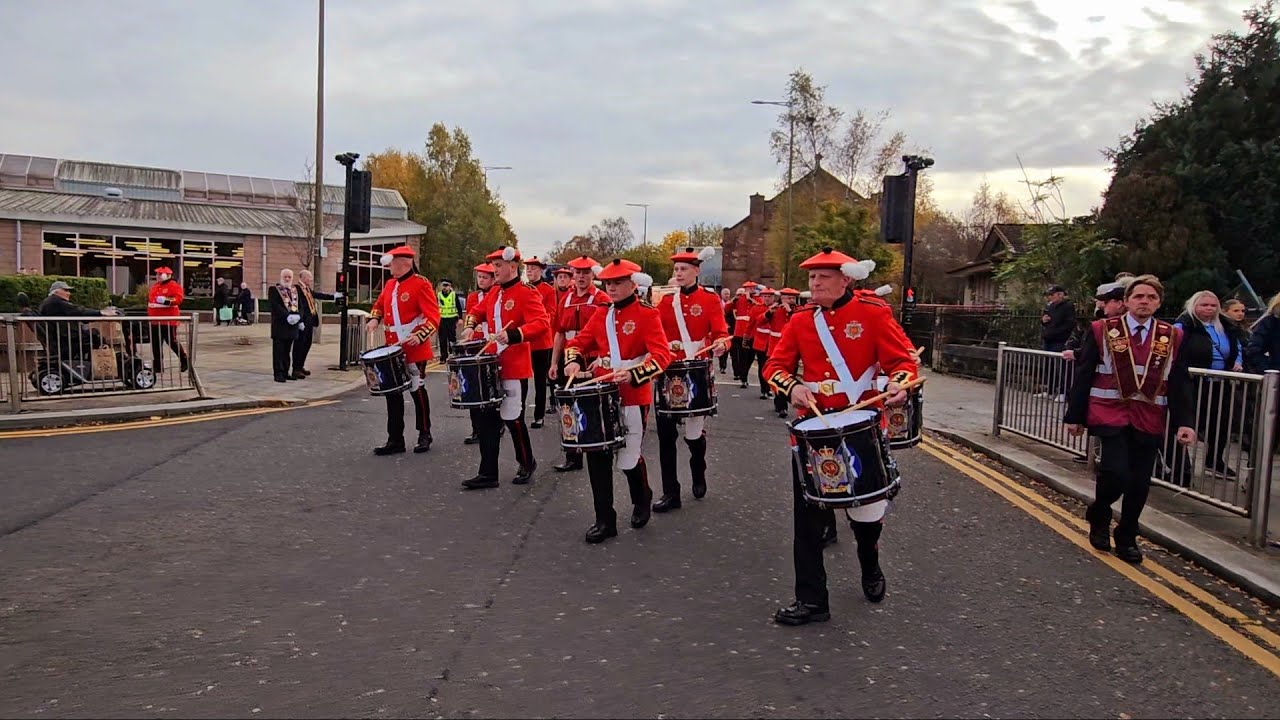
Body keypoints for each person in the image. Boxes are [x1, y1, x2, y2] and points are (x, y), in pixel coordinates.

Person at [764, 248, 916, 626]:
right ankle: (813, 601)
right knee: (807, 519)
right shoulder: (801, 321)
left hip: (860, 424)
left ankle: (870, 563)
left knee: (865, 516)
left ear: (846, 279)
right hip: (814, 430)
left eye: (823, 277)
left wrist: (899, 384)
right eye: (811, 278)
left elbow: (903, 361)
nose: (814, 284)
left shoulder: (871, 314)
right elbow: (775, 366)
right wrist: (792, 387)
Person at [1064, 275, 1196, 564]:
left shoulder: (1172, 336)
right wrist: (1074, 416)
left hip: (1149, 416)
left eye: (1151, 297)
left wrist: (1185, 422)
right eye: (1139, 297)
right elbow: (1084, 373)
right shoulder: (1103, 330)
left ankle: (1127, 535)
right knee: (1116, 472)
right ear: (1126, 301)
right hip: (1108, 412)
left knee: (1139, 482)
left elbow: (1179, 380)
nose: (1144, 302)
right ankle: (1100, 513)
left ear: (1159, 302)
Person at [563, 258, 672, 543]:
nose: (611, 288)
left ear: (632, 284)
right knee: (597, 456)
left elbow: (662, 356)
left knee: (627, 458)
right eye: (608, 283)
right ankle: (604, 520)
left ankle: (642, 496)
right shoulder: (601, 314)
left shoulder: (647, 314)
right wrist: (572, 362)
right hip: (601, 392)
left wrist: (635, 373)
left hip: (633, 394)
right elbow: (577, 343)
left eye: (617, 283)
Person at [460, 246, 550, 488]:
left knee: (513, 418)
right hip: (491, 364)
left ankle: (526, 460)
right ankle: (488, 472)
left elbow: (541, 323)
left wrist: (515, 334)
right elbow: (476, 312)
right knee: (488, 420)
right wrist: (470, 325)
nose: (494, 270)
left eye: (498, 265)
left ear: (512, 266)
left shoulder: (526, 292)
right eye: (493, 265)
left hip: (514, 364)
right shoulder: (494, 292)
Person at [652, 247, 729, 511]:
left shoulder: (709, 300)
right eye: (676, 270)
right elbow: (654, 334)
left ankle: (698, 469)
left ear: (696, 271)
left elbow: (721, 332)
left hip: (695, 369)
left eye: (684, 269)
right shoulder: (664, 302)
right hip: (668, 370)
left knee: (693, 434)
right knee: (665, 434)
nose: (679, 273)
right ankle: (670, 492)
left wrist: (720, 344)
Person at [364, 245, 441, 455]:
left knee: (417, 390)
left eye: (394, 262)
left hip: (413, 346)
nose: (389, 265)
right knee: (392, 394)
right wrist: (374, 318)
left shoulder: (421, 284)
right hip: (392, 347)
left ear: (405, 263)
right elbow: (379, 305)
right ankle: (395, 439)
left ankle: (424, 432)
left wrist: (420, 335)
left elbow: (433, 317)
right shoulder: (389, 285)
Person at [1169, 291, 1243, 480]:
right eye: (1204, 305)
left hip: (1220, 381)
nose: (1209, 309)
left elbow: (1238, 346)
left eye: (1212, 305)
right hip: (1192, 381)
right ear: (1193, 306)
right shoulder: (1184, 325)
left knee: (1222, 423)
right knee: (1186, 423)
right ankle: (1181, 467)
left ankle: (1214, 459)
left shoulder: (1226, 326)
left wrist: (1237, 361)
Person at [548, 255, 610, 472]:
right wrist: (554, 362)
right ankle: (572, 455)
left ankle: (595, 446)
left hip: (593, 359)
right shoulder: (565, 299)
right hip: (570, 359)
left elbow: (608, 334)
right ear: (573, 274)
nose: (582, 277)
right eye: (578, 273)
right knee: (568, 406)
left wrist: (603, 359)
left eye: (586, 273)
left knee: (593, 405)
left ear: (593, 275)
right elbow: (560, 333)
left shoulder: (602, 298)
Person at [37, 280, 119, 358]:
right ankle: (98, 365)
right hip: (66, 340)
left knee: (93, 334)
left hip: (62, 338)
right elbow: (78, 311)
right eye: (66, 290)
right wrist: (101, 313)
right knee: (95, 337)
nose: (69, 293)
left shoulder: (50, 302)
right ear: (56, 291)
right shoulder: (56, 302)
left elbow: (77, 313)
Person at [462, 262, 496, 446]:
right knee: (473, 388)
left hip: (491, 343)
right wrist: (468, 330)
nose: (481, 280)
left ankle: (495, 425)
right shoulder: (473, 296)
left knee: (490, 387)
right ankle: (476, 428)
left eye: (485, 277)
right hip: (475, 344)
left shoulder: (496, 295)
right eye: (479, 277)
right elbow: (471, 316)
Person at [523, 256, 558, 428]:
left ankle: (539, 415)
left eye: (533, 269)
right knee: (519, 380)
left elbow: (550, 314)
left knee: (539, 380)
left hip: (541, 341)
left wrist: (535, 327)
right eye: (528, 269)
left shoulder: (548, 290)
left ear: (541, 271)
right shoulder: (522, 289)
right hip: (523, 340)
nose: (530, 272)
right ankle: (517, 413)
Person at [293, 269, 338, 378]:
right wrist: (300, 321)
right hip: (303, 322)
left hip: (310, 321)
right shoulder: (297, 288)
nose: (311, 279)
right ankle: (296, 368)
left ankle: (301, 366)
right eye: (309, 277)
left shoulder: (307, 289)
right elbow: (297, 305)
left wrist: (333, 297)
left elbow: (317, 295)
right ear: (303, 277)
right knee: (299, 346)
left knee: (306, 345)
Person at [147, 266, 189, 373]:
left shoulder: (174, 286)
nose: (157, 276)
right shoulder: (155, 286)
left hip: (168, 320)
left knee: (172, 342)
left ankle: (184, 360)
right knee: (155, 344)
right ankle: (158, 366)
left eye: (160, 274)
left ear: (168, 275)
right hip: (155, 320)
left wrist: (165, 300)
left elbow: (178, 299)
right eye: (157, 274)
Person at [766, 288, 801, 418]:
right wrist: (769, 312)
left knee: (791, 375)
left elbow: (800, 324)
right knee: (779, 375)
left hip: (793, 349)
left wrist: (790, 311)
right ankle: (781, 406)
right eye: (787, 298)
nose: (790, 300)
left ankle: (783, 400)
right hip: (776, 346)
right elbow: (760, 321)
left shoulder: (798, 310)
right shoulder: (775, 309)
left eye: (792, 298)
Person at [269, 269, 304, 383]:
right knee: (278, 351)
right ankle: (278, 373)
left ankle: (285, 372)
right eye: (285, 277)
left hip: (292, 327)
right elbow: (275, 306)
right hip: (280, 326)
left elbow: (301, 306)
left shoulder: (294, 291)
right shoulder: (274, 290)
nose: (287, 279)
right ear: (281, 277)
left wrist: (299, 317)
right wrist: (287, 316)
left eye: (289, 277)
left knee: (287, 351)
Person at [730, 283, 759, 387]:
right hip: (739, 332)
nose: (751, 290)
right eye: (748, 288)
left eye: (752, 288)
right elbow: (727, 309)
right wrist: (734, 299)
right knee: (741, 356)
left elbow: (760, 308)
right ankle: (743, 378)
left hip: (751, 333)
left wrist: (750, 299)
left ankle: (744, 374)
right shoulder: (739, 299)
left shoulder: (757, 299)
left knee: (750, 357)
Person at [436, 278, 460, 362]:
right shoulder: (438, 295)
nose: (444, 288)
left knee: (452, 338)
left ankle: (453, 354)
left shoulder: (454, 295)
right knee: (442, 339)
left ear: (450, 286)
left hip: (451, 319)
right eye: (443, 285)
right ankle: (443, 357)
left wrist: (460, 318)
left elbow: (459, 307)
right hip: (442, 320)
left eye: (446, 285)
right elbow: (435, 308)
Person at [719, 288, 733, 375]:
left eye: (728, 294)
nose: (727, 296)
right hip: (721, 328)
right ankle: (722, 366)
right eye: (725, 294)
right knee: (722, 348)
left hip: (730, 329)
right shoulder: (718, 304)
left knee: (729, 349)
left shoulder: (732, 304)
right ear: (721, 295)